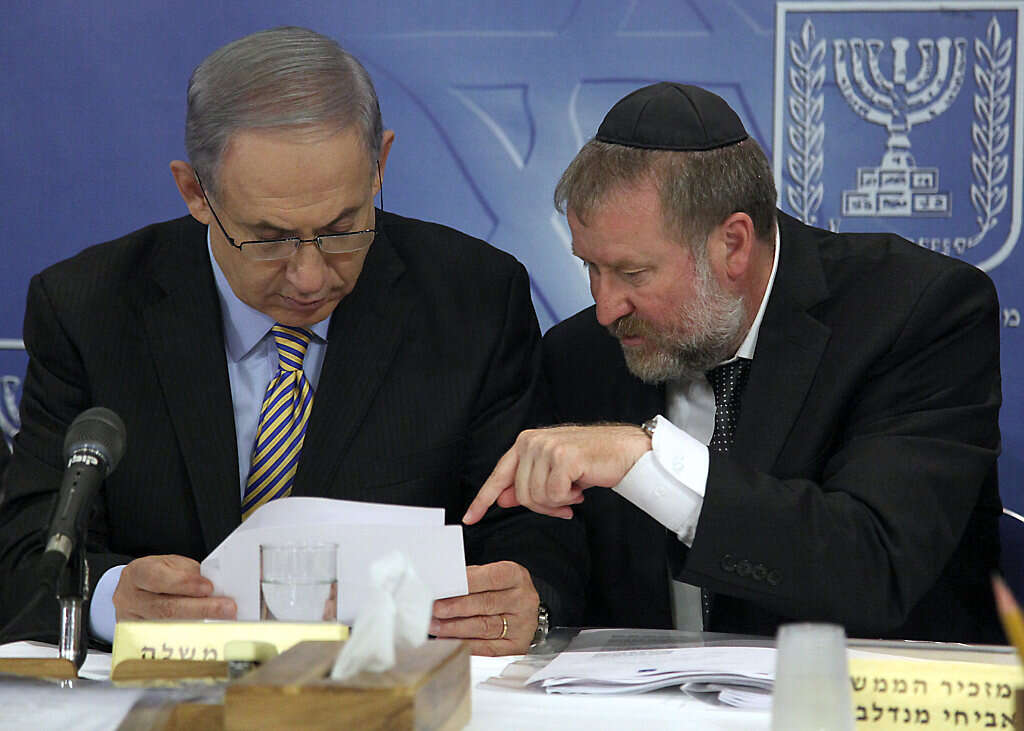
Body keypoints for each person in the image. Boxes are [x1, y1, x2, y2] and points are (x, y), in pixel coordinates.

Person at [0, 26, 585, 655]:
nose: (309, 276)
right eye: (270, 239)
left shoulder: (473, 299)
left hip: (394, 690)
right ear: (196, 192)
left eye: (342, 229)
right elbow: (30, 554)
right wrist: (111, 597)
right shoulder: (90, 309)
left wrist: (524, 598)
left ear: (381, 165)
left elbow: (536, 535)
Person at [465, 82, 1003, 643]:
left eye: (632, 273)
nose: (605, 308)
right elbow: (561, 549)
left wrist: (648, 461)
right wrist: (534, 598)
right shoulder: (580, 355)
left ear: (734, 244)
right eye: (590, 268)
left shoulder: (913, 313)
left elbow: (877, 564)